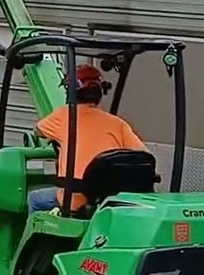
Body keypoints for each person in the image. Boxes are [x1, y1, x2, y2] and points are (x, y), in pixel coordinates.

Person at [28, 63, 147, 213]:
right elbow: (143, 155)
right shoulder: (118, 123)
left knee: (34, 198)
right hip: (109, 198)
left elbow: (38, 130)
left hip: (75, 199)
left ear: (71, 91)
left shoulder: (64, 116)